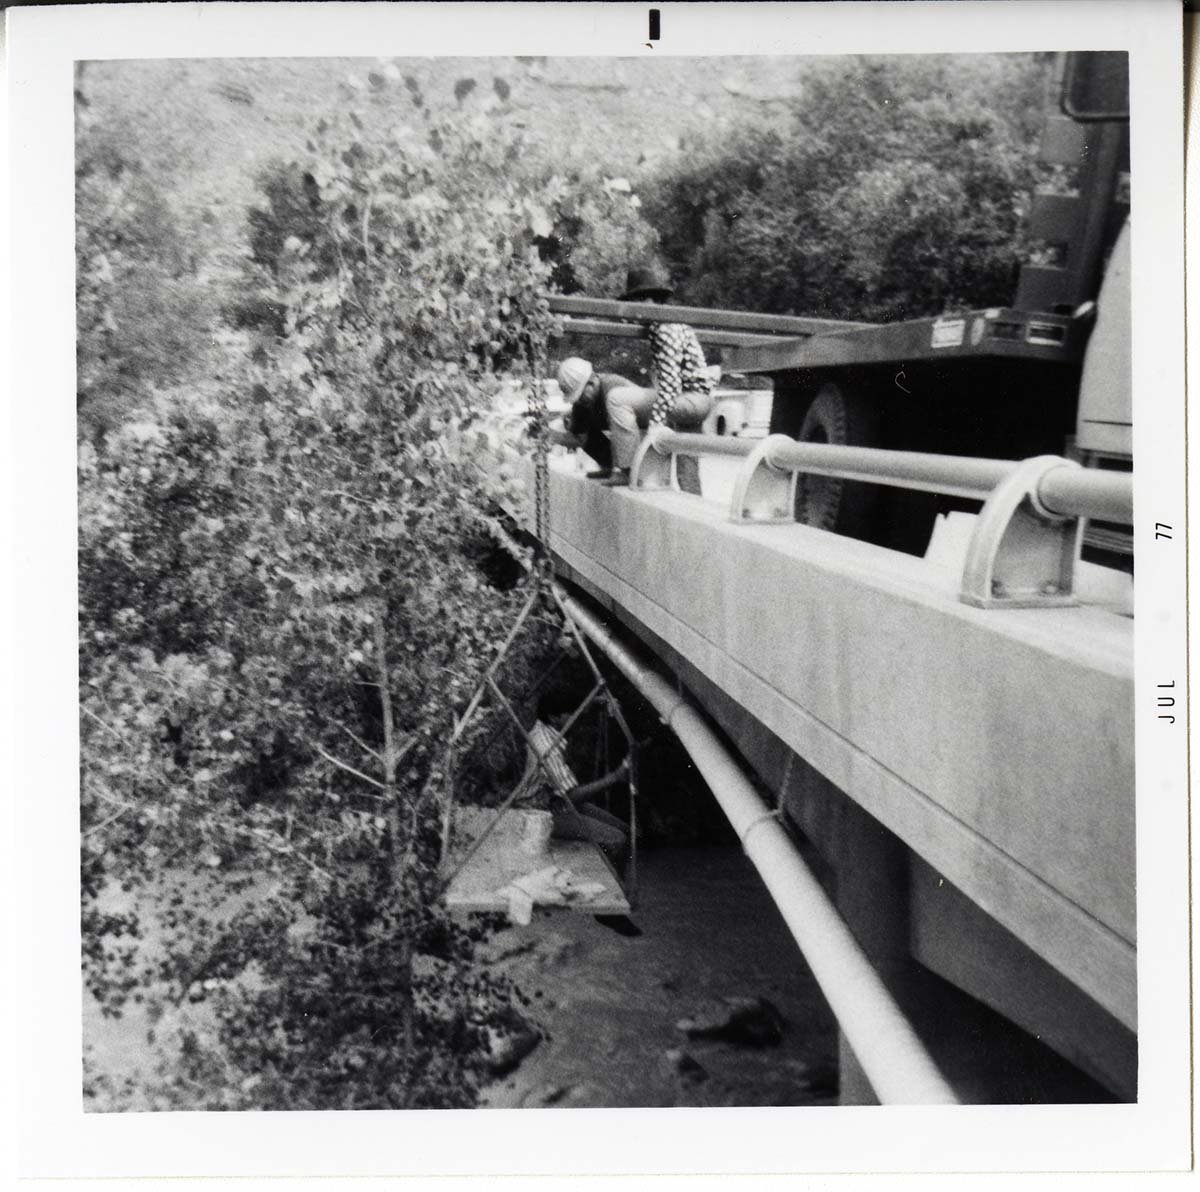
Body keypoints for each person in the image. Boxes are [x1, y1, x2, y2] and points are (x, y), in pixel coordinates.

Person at [601, 264, 718, 487]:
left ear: (647, 301)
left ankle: (627, 469)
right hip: (697, 399)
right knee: (687, 466)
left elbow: (670, 383)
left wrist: (655, 427)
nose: (633, 311)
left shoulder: (664, 328)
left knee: (617, 398)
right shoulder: (670, 324)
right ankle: (691, 503)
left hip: (688, 399)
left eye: (635, 302)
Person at [553, 356, 655, 481]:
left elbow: (622, 431)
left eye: (580, 395)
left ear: (592, 382)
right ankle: (609, 467)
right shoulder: (583, 402)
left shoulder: (612, 385)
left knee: (613, 400)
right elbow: (578, 437)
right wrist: (554, 436)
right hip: (625, 435)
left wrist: (619, 468)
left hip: (645, 425)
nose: (579, 401)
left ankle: (625, 470)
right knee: (582, 428)